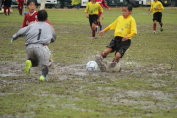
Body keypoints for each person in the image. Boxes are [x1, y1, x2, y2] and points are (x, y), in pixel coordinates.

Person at [10, 10, 56, 81]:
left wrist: (13, 38)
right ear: (47, 18)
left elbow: (21, 32)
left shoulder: (31, 25)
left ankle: (30, 62)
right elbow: (53, 38)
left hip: (29, 47)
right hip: (41, 47)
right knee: (46, 65)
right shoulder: (49, 26)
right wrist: (49, 40)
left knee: (35, 63)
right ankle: (43, 76)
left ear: (37, 18)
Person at [96, 3, 137, 72]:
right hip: (116, 39)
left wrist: (127, 36)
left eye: (125, 11)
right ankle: (99, 58)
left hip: (125, 41)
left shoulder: (131, 20)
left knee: (118, 55)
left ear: (130, 12)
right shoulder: (119, 18)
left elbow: (134, 31)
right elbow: (112, 25)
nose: (123, 13)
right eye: (122, 11)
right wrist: (104, 30)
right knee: (106, 51)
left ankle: (113, 66)